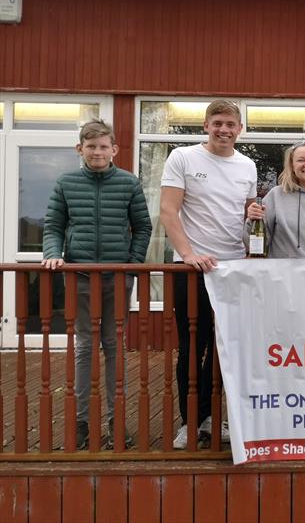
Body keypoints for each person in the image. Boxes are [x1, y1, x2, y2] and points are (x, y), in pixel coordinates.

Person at [42, 119, 152, 450]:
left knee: (114, 346)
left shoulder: (129, 183)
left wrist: (131, 265)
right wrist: (52, 253)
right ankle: (82, 424)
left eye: (103, 146)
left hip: (118, 279)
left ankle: (116, 422)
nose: (97, 152)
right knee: (86, 347)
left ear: (114, 149)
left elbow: (143, 227)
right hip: (80, 276)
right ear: (80, 149)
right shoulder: (66, 183)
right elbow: (53, 225)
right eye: (91, 146)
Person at [160, 99, 257, 449]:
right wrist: (188, 254)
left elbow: (245, 217)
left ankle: (211, 417)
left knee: (223, 349)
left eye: (231, 124)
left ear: (240, 130)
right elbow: (168, 211)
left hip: (231, 270)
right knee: (191, 347)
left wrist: (254, 221)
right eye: (217, 123)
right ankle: (189, 422)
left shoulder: (247, 166)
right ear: (205, 125)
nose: (224, 130)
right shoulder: (182, 158)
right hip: (191, 269)